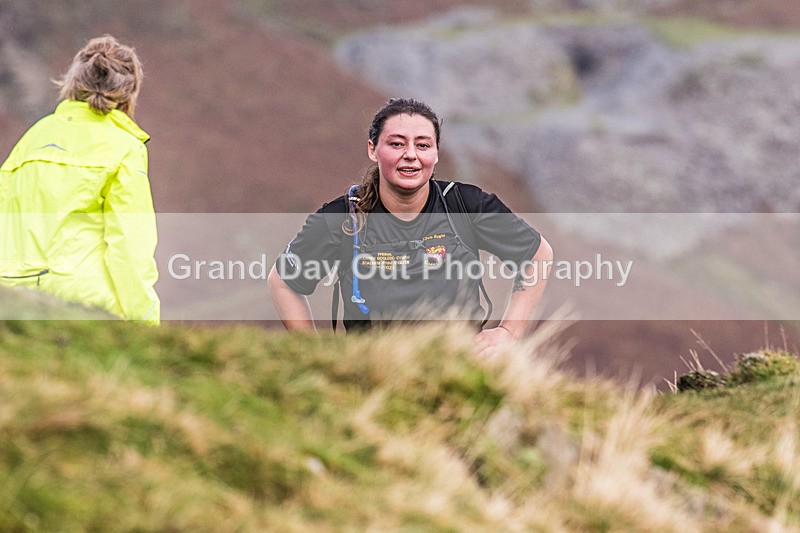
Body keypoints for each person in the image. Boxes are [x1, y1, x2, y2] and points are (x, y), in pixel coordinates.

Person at [268, 98, 551, 350]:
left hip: (460, 372)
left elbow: (537, 254)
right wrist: (315, 354)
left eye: (423, 145)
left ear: (436, 153)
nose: (411, 155)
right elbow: (282, 281)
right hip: (373, 378)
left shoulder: (466, 204)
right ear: (372, 149)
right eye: (397, 143)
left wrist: (509, 332)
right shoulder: (343, 217)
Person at [0, 35, 160, 324]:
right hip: (85, 303)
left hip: (15, 298)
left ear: (72, 83)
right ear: (128, 92)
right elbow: (130, 246)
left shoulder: (34, 136)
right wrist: (145, 319)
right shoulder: (125, 147)